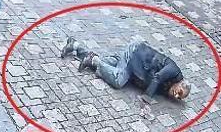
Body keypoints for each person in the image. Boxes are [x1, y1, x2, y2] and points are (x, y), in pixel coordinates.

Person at [60, 37, 191, 101]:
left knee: (107, 63)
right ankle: (93, 61)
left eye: (179, 97)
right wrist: (146, 99)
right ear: (180, 83)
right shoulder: (174, 70)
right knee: (118, 80)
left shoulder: (168, 88)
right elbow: (157, 78)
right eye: (179, 92)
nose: (176, 95)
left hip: (134, 69)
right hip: (136, 54)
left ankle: (76, 46)